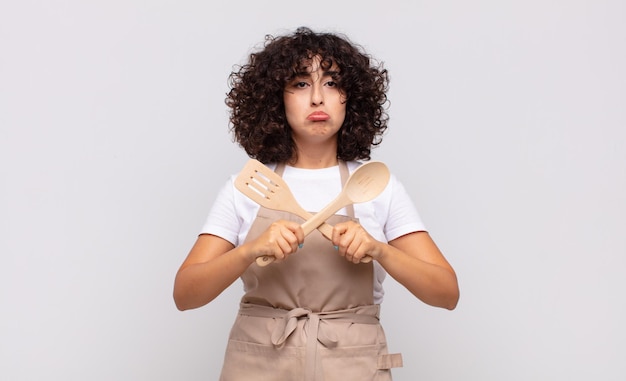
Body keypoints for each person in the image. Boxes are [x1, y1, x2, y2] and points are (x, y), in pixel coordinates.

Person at [173, 26, 459, 381]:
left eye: (332, 82)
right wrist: (249, 251)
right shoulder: (245, 189)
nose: (318, 99)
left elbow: (446, 292)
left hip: (354, 366)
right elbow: (185, 294)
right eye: (301, 83)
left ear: (350, 97)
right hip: (258, 365)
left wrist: (379, 250)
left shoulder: (376, 187)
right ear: (276, 98)